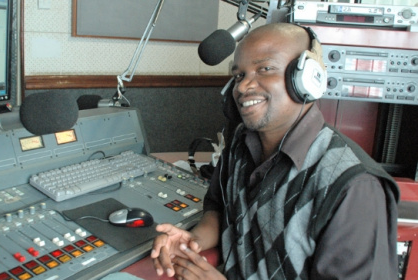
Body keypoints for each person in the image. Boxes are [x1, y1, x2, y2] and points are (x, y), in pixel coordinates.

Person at [151, 22, 399, 280]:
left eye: (265, 69)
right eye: (239, 75)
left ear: (306, 77)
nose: (244, 87)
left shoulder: (356, 187)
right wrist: (193, 240)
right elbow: (220, 208)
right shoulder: (239, 143)